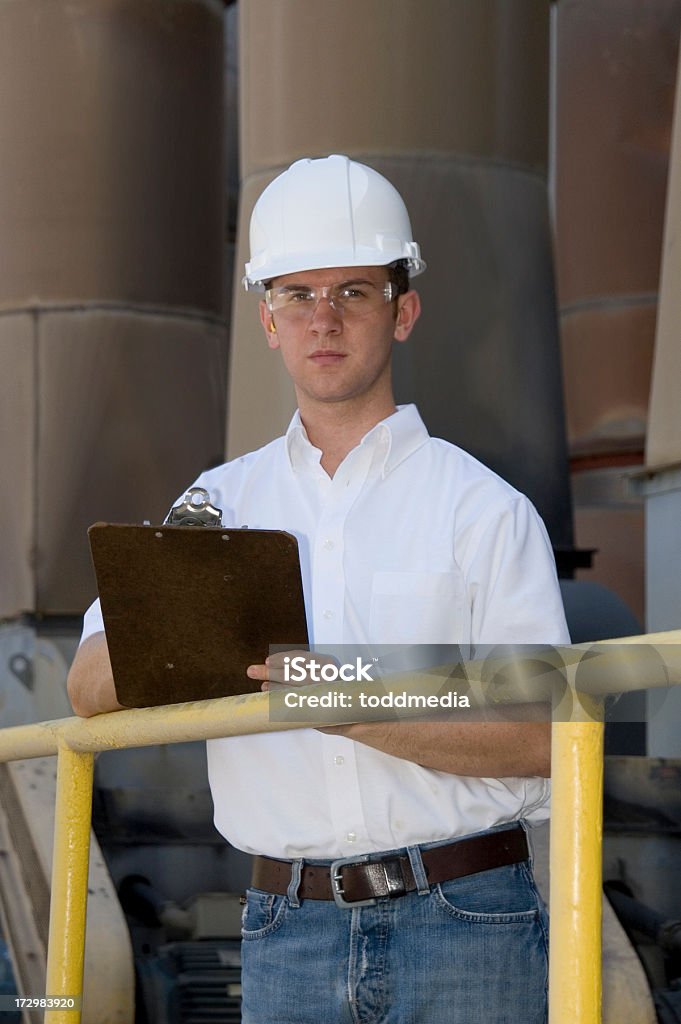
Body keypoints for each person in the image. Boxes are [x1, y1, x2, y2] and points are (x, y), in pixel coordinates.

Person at [68, 154, 570, 1024]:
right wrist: (189, 630)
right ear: (267, 320)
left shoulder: (484, 510)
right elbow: (86, 690)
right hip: (284, 930)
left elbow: (541, 735)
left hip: (465, 922)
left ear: (403, 311)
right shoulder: (215, 505)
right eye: (297, 295)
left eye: (353, 292)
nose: (323, 319)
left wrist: (339, 695)